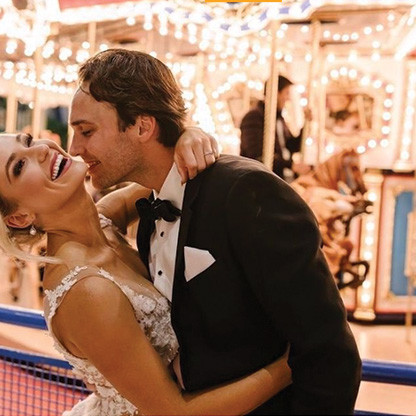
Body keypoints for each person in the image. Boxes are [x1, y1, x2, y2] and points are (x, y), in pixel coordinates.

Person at [69, 48, 362, 415]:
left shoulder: (247, 194)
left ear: (142, 126)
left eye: (86, 131)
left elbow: (330, 354)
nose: (75, 148)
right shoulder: (147, 218)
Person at [0, 132, 292, 415]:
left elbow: (165, 172)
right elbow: (171, 411)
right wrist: (290, 365)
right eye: (20, 166)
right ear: (20, 217)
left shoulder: (103, 222)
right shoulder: (85, 292)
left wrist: (186, 137)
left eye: (27, 142)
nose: (39, 149)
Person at [240, 75, 311, 182]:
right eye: (286, 93)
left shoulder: (279, 118)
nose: (288, 98)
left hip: (282, 177)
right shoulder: (254, 118)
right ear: (276, 93)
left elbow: (290, 147)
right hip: (263, 180)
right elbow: (256, 155)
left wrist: (306, 125)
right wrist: (290, 165)